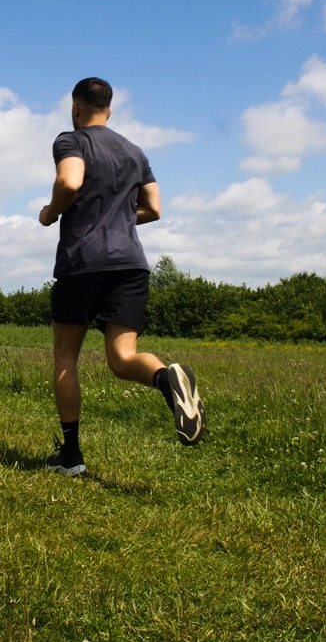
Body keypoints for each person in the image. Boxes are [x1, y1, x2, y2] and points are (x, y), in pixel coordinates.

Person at [39, 77, 206, 476]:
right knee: (122, 357)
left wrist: (52, 212)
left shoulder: (71, 140)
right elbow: (154, 208)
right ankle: (167, 379)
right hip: (130, 264)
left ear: (75, 107)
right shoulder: (134, 152)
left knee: (66, 358)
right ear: (110, 110)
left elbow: (69, 181)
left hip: (83, 262)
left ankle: (72, 457)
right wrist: (117, 218)